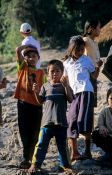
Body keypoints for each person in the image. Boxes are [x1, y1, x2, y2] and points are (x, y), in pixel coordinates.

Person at [27, 60, 74, 173]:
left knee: (62, 146)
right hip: (47, 123)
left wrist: (66, 85)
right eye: (52, 71)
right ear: (48, 73)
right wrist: (36, 92)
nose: (55, 74)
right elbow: (40, 101)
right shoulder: (45, 86)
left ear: (62, 72)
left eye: (57, 71)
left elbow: (71, 99)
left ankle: (65, 165)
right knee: (41, 145)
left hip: (61, 122)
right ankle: (35, 165)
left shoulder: (64, 86)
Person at [63, 35, 102, 161]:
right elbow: (65, 80)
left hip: (86, 92)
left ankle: (87, 151)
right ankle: (74, 152)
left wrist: (98, 67)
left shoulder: (86, 60)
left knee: (83, 122)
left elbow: (94, 76)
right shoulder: (66, 63)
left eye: (81, 49)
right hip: (74, 95)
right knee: (71, 122)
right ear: (71, 48)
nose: (80, 52)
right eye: (77, 49)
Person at [14, 45, 46, 168]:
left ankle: (32, 158)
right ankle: (25, 157)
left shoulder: (41, 73)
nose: (31, 58)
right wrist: (28, 46)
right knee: (24, 132)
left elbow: (45, 90)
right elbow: (18, 50)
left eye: (34, 56)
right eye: (28, 56)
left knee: (35, 133)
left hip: (37, 106)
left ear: (38, 58)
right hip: (23, 104)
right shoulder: (22, 68)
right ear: (25, 58)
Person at [83, 19, 103, 107]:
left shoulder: (95, 43)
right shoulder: (85, 40)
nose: (100, 29)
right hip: (86, 76)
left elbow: (95, 63)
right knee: (86, 105)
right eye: (99, 27)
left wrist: (99, 65)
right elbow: (75, 47)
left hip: (94, 75)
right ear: (91, 29)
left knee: (91, 105)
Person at [92, 87, 112, 163]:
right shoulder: (104, 112)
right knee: (95, 134)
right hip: (109, 139)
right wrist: (102, 127)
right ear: (107, 100)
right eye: (111, 98)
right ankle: (109, 153)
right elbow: (100, 124)